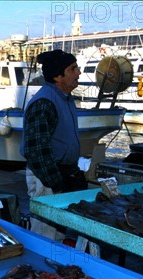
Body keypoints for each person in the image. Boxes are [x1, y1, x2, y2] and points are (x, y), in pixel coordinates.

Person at [22, 49, 87, 238]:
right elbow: (36, 151)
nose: (78, 73)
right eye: (73, 69)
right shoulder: (44, 102)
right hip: (47, 177)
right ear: (58, 76)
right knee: (46, 234)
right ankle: (42, 266)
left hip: (62, 173)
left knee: (58, 232)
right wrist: (55, 184)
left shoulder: (65, 98)